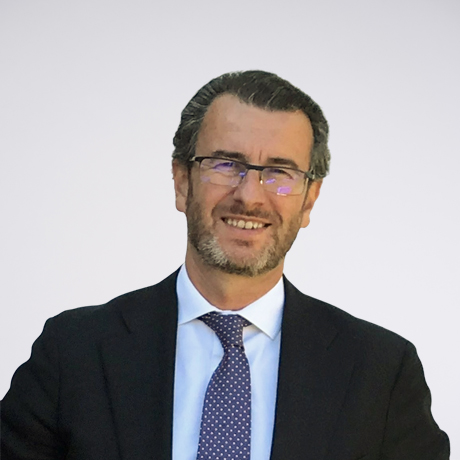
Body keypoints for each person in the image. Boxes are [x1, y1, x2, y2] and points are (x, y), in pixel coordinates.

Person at [1, 70, 449, 460]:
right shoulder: (73, 353)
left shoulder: (381, 372)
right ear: (182, 182)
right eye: (226, 164)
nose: (250, 196)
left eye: (280, 172)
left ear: (309, 200)